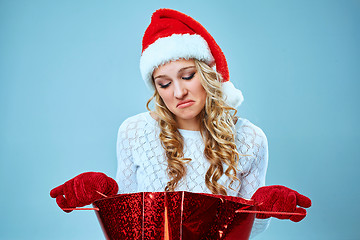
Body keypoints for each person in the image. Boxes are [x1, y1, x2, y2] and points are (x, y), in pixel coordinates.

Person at [50, 8, 311, 239]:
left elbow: (248, 230)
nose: (178, 93)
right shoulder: (134, 131)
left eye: (187, 76)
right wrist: (104, 196)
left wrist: (260, 210)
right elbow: (129, 223)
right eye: (164, 83)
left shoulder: (251, 138)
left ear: (208, 74)